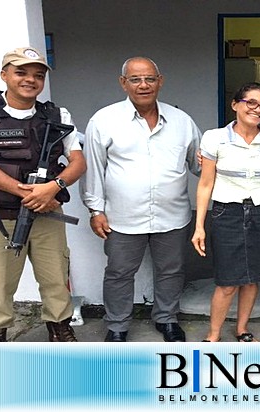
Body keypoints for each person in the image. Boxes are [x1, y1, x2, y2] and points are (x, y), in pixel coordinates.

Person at [0, 46, 85, 342]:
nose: (30, 80)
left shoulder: (56, 114)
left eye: (38, 75)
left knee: (55, 278)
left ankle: (60, 331)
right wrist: (27, 192)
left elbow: (78, 162)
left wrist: (53, 187)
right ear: (4, 75)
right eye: (21, 72)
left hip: (49, 213)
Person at [81, 57, 201, 342]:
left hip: (173, 215)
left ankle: (166, 318)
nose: (143, 85)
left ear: (160, 81)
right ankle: (118, 325)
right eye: (135, 79)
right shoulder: (104, 120)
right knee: (119, 272)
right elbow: (94, 168)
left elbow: (199, 163)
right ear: (123, 83)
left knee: (171, 271)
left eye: (149, 78)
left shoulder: (181, 121)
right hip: (122, 217)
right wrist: (95, 209)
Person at [192, 82, 260, 342]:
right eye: (250, 102)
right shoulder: (214, 137)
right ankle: (213, 334)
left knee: (253, 278)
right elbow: (206, 183)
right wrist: (199, 226)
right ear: (235, 104)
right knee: (227, 281)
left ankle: (242, 328)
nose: (257, 109)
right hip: (226, 213)